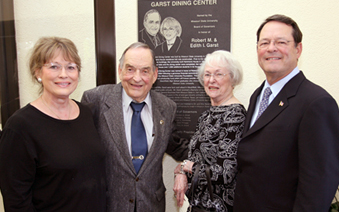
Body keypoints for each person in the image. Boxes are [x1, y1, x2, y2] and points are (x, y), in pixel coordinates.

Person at [234, 14, 339, 212]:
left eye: (281, 42)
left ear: (298, 49)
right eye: (264, 43)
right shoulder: (258, 95)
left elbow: (319, 183)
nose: (271, 48)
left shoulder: (316, 102)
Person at [0, 37, 106, 211]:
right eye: (54, 66)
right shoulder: (20, 127)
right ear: (38, 73)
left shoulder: (87, 113)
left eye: (71, 67)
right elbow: (16, 201)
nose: (63, 74)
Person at [81, 42, 189, 212]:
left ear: (154, 75)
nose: (137, 78)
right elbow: (82, 155)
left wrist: (184, 168)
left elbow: (176, 146)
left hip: (151, 205)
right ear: (120, 70)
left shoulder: (167, 107)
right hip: (109, 205)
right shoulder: (95, 100)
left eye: (145, 71)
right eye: (130, 69)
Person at [173, 50, 246, 212]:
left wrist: (186, 166)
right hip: (199, 205)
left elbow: (225, 173)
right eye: (207, 74)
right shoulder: (206, 115)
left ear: (232, 78)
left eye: (219, 74)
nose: (211, 80)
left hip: (218, 207)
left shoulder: (235, 115)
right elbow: (195, 158)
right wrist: (181, 173)